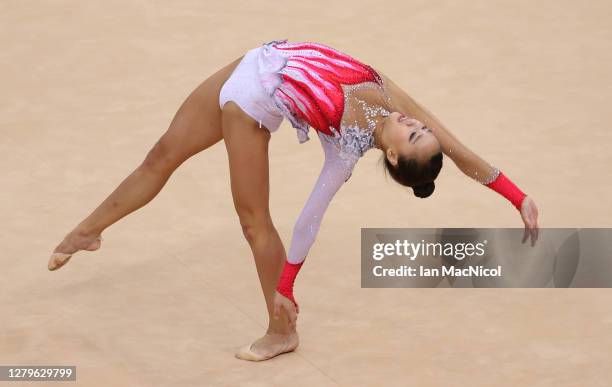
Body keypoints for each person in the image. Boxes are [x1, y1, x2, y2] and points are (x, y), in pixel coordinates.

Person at [48, 39, 540, 361]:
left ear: (391, 154)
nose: (417, 124)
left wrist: (289, 281)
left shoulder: (347, 151)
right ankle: (87, 231)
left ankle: (280, 328)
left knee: (253, 222)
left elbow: (308, 220)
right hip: (247, 66)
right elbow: (452, 146)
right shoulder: (395, 102)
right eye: (420, 128)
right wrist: (515, 196)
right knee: (161, 154)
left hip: (252, 108)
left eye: (414, 137)